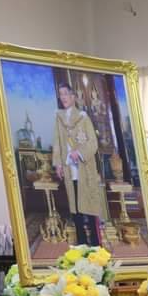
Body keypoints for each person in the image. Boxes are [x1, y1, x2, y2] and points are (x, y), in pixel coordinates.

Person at [53, 81, 106, 245]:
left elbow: (93, 143)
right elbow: (57, 143)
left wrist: (80, 153)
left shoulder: (83, 118)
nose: (64, 98)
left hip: (84, 169)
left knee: (89, 208)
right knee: (75, 209)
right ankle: (82, 244)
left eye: (66, 94)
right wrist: (58, 164)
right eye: (61, 95)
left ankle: (96, 244)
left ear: (73, 96)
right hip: (70, 171)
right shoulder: (59, 118)